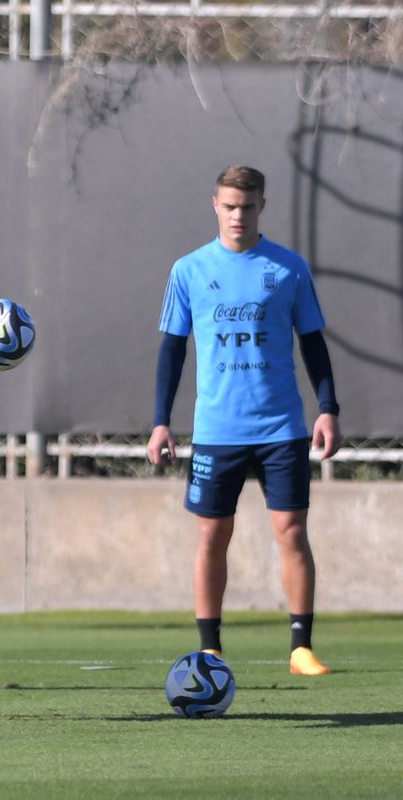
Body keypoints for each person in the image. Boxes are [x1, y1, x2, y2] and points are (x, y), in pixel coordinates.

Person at [147, 165, 341, 676]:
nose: (238, 216)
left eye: (248, 207)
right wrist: (160, 422)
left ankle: (300, 647)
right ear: (215, 204)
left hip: (282, 427)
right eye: (230, 206)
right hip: (217, 430)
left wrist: (328, 408)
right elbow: (172, 348)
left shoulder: (288, 268)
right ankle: (210, 647)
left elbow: (313, 343)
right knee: (212, 536)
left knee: (292, 532)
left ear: (261, 206)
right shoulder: (188, 270)